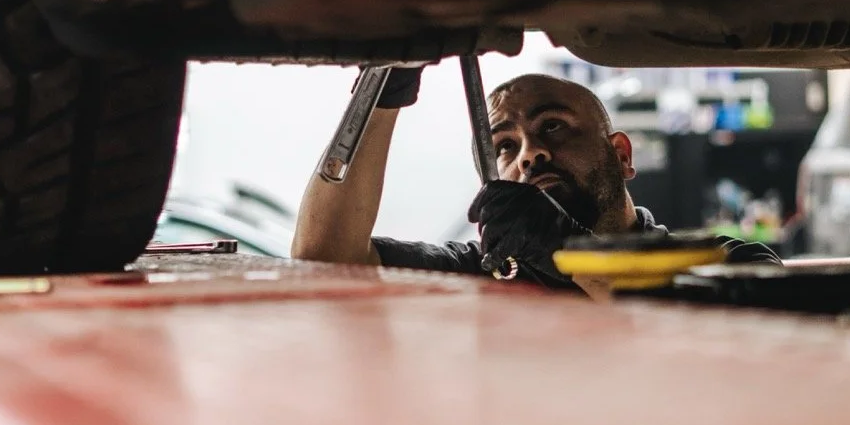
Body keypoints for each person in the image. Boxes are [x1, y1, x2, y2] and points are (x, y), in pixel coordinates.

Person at [291, 67, 780, 294]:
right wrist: (384, 87)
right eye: (505, 145)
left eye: (553, 127)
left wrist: (566, 250)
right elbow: (324, 256)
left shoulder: (725, 263)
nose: (530, 154)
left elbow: (712, 332)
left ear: (621, 156)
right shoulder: (482, 274)